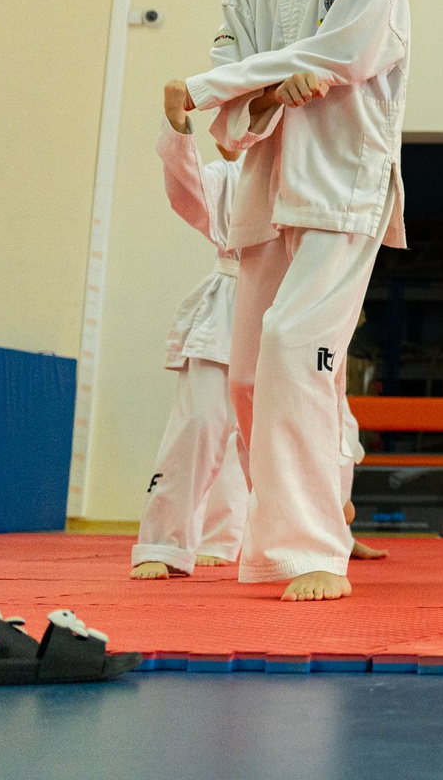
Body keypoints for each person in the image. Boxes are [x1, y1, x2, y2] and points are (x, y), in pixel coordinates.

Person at [171, 0, 410, 602]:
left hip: (343, 184)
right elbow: (235, 81)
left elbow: (351, 50)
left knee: (293, 347)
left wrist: (213, 87)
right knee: (246, 377)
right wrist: (262, 90)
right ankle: (293, 527)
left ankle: (312, 549)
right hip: (266, 187)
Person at [130, 82, 250, 579]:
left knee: (269, 436)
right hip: (228, 305)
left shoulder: (305, 173)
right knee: (199, 422)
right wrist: (179, 127)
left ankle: (233, 536)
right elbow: (189, 191)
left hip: (288, 309)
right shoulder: (230, 177)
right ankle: (165, 541)